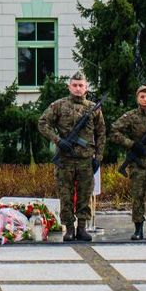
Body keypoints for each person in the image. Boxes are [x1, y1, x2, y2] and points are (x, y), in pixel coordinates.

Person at [38, 71, 106, 242]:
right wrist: (58, 141)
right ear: (69, 87)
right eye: (74, 85)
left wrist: (98, 157)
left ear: (86, 88)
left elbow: (101, 133)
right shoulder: (59, 105)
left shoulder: (93, 108)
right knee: (66, 195)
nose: (77, 88)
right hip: (65, 160)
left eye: (81, 85)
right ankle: (69, 228)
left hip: (85, 159)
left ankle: (82, 228)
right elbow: (42, 123)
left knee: (84, 195)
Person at [111, 85, 146, 240]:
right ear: (137, 98)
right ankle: (138, 229)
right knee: (138, 196)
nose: (145, 99)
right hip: (138, 164)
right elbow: (114, 132)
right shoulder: (130, 116)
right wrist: (131, 144)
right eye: (142, 96)